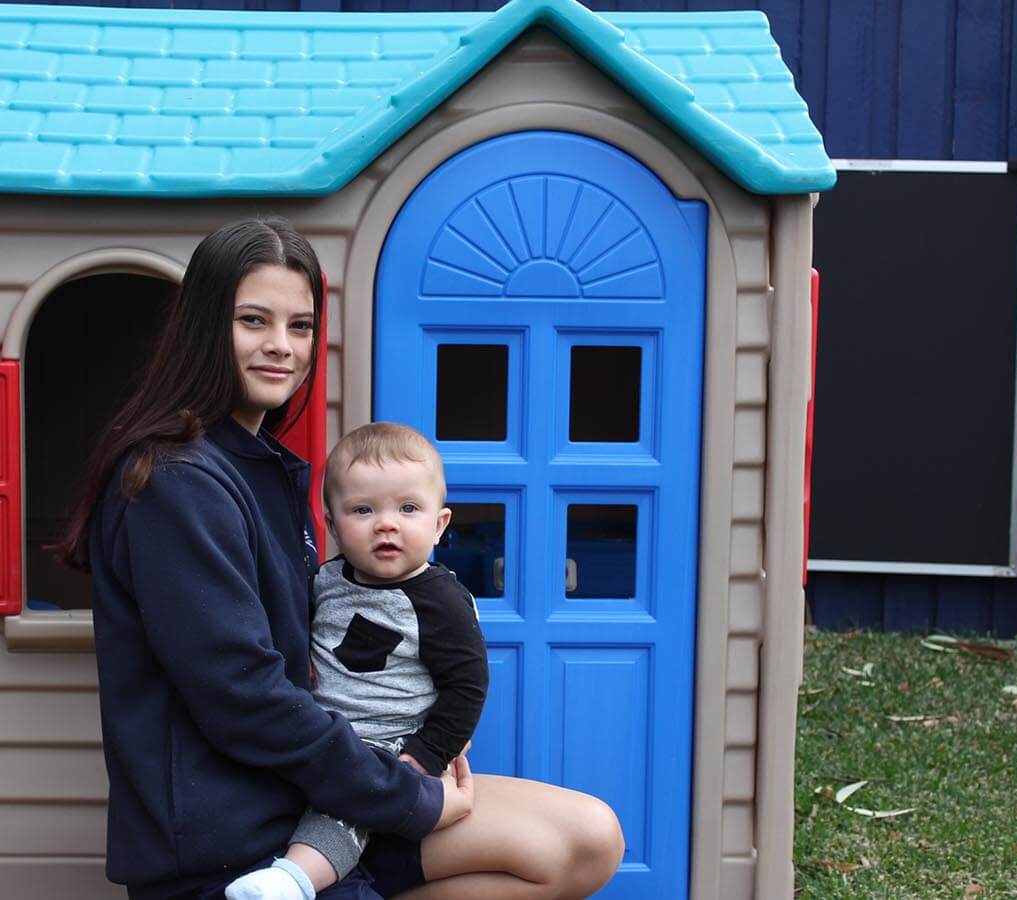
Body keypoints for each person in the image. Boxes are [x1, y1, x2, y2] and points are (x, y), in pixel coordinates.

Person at [58, 217, 624, 900]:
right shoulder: (173, 484)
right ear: (205, 325)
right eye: (253, 321)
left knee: (587, 840)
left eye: (299, 326)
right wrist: (408, 796)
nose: (280, 347)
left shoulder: (266, 470)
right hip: (234, 841)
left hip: (317, 794)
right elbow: (244, 697)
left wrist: (412, 750)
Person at [226, 422, 489, 900]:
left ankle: (293, 881)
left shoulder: (439, 601)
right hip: (323, 731)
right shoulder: (328, 579)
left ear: (439, 523)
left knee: (348, 807)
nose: (386, 523)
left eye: (408, 509)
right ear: (331, 522)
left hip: (392, 737)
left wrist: (424, 756)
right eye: (363, 509)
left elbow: (468, 687)